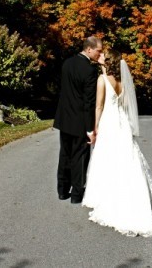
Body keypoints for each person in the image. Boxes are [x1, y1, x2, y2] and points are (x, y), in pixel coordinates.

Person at [82, 49, 152, 237]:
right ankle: (134, 197)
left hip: (109, 123)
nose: (100, 56)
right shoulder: (123, 82)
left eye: (103, 56)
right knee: (127, 159)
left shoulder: (102, 80)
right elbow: (125, 105)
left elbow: (99, 106)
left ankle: (111, 199)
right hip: (122, 123)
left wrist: (95, 126)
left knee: (108, 158)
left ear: (108, 61)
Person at [54, 36, 102, 204]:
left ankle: (62, 190)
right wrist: (91, 129)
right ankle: (76, 195)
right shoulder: (89, 70)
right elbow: (89, 102)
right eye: (98, 51)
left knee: (65, 154)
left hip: (64, 117)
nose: (100, 54)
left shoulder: (67, 63)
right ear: (89, 49)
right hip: (80, 120)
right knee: (80, 158)